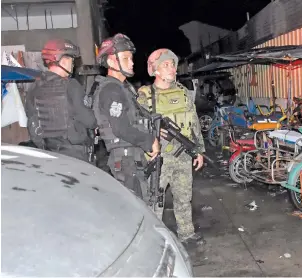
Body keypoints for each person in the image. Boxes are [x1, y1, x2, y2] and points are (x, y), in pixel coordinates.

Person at [138, 48, 206, 246]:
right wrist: (153, 135)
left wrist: (199, 150)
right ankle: (155, 241)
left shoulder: (183, 92)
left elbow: (194, 123)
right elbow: (136, 125)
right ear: (155, 70)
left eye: (173, 64)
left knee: (184, 197)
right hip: (158, 158)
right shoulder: (145, 95)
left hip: (183, 155)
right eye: (165, 65)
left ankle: (186, 233)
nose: (171, 69)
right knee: (155, 202)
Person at [91, 33, 160, 199]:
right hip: (126, 160)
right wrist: (149, 141)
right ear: (111, 61)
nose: (132, 62)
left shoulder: (121, 88)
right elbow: (121, 128)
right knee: (137, 209)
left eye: (131, 58)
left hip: (129, 157)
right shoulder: (111, 90)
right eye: (126, 58)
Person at [25, 39, 97, 161]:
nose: (73, 64)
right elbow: (90, 121)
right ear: (63, 61)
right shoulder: (71, 85)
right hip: (76, 155)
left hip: (50, 155)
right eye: (71, 60)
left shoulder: (34, 87)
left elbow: (32, 124)